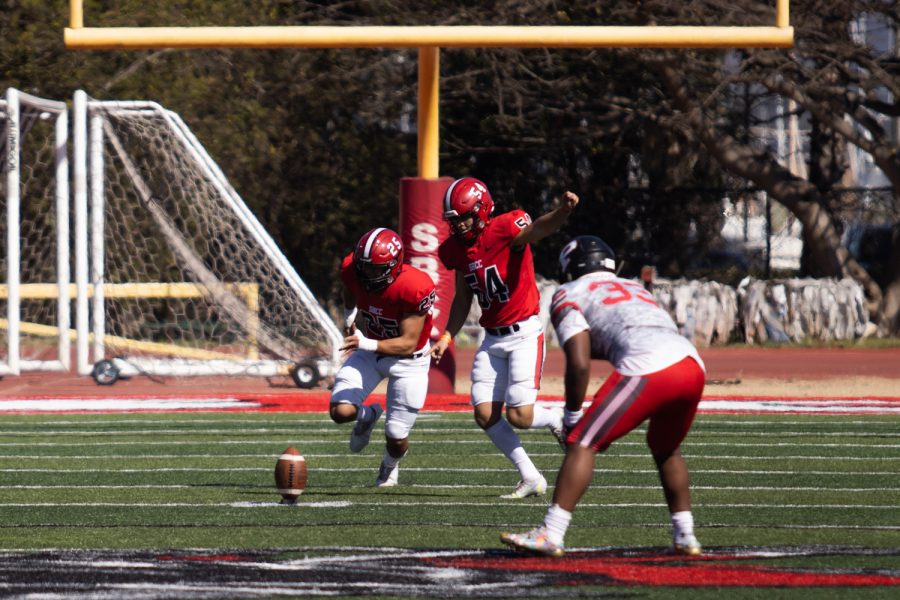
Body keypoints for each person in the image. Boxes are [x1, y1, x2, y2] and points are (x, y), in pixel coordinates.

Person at [500, 235, 706, 556]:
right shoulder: (636, 288)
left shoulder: (569, 292)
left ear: (570, 268)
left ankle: (550, 533)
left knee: (583, 441)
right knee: (666, 448)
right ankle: (685, 536)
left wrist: (571, 416)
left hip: (648, 366)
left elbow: (579, 363)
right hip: (692, 363)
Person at [431, 177, 577, 499]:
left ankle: (555, 420)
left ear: (481, 211)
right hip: (492, 337)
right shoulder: (456, 249)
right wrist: (447, 335)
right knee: (484, 414)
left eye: (462, 218)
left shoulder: (505, 228)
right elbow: (462, 296)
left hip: (523, 332)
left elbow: (538, 229)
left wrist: (562, 212)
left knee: (520, 416)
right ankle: (530, 477)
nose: (456, 227)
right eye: (452, 221)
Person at [330, 227, 437, 487]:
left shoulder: (414, 286)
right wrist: (349, 315)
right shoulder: (353, 270)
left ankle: (389, 466)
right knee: (340, 411)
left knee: (396, 436)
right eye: (364, 267)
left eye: (375, 269)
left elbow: (408, 344)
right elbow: (350, 287)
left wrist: (365, 342)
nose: (367, 275)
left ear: (394, 266)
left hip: (408, 361)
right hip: (370, 352)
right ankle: (367, 416)